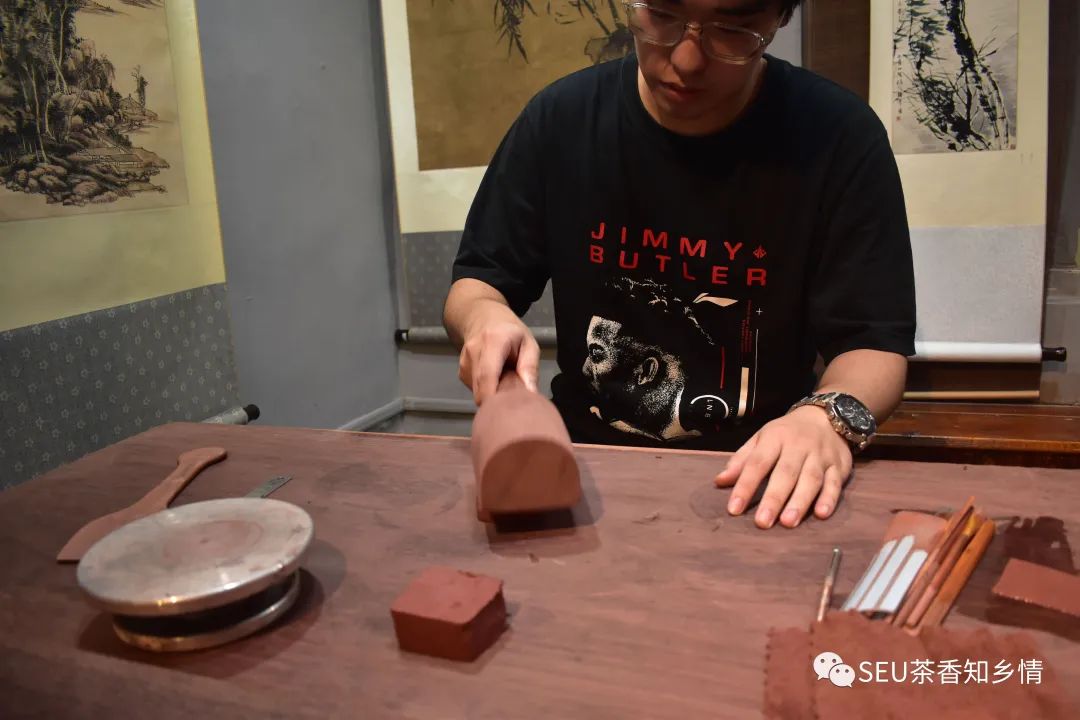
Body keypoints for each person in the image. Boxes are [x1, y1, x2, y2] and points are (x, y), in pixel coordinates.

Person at [443, 0, 916, 531]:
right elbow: (477, 284)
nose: (687, 60)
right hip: (583, 468)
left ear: (780, 17)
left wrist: (822, 420)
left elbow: (873, 344)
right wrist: (484, 318)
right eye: (662, 15)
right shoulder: (561, 121)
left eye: (733, 28)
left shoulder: (837, 137)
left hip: (760, 476)